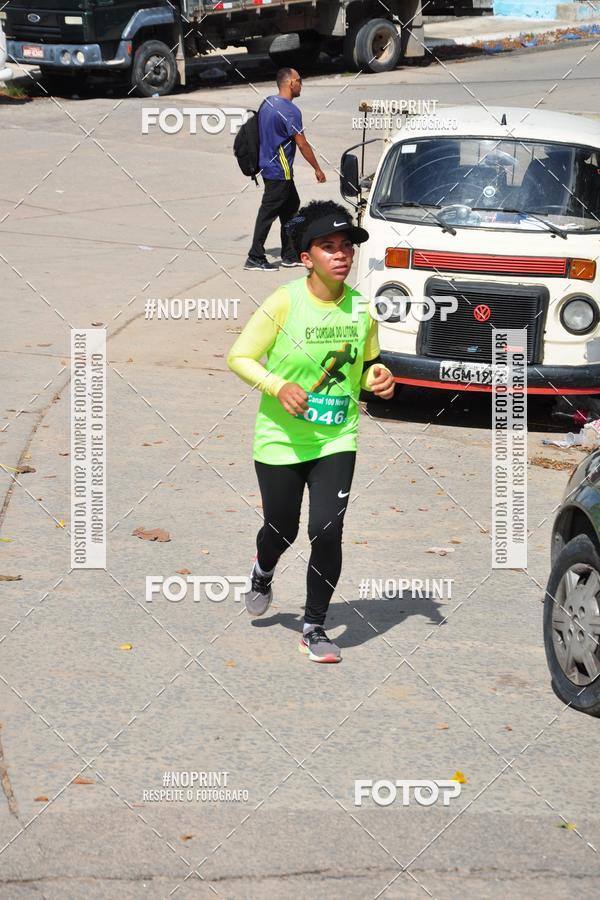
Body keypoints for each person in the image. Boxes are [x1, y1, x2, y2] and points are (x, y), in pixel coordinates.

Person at [228, 200, 395, 663]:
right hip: (280, 440)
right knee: (281, 531)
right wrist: (277, 385)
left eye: (346, 247)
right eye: (328, 247)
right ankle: (263, 570)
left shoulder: (361, 310)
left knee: (326, 530)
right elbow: (239, 357)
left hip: (336, 437)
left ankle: (314, 627)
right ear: (306, 258)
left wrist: (376, 380)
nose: (341, 255)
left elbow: (369, 365)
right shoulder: (285, 301)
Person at [244, 67, 326, 273]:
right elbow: (302, 144)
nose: (301, 84)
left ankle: (289, 255)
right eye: (300, 80)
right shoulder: (290, 111)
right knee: (268, 213)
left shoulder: (267, 103)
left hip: (267, 166)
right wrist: (317, 168)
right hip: (279, 170)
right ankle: (255, 256)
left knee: (291, 208)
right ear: (291, 83)